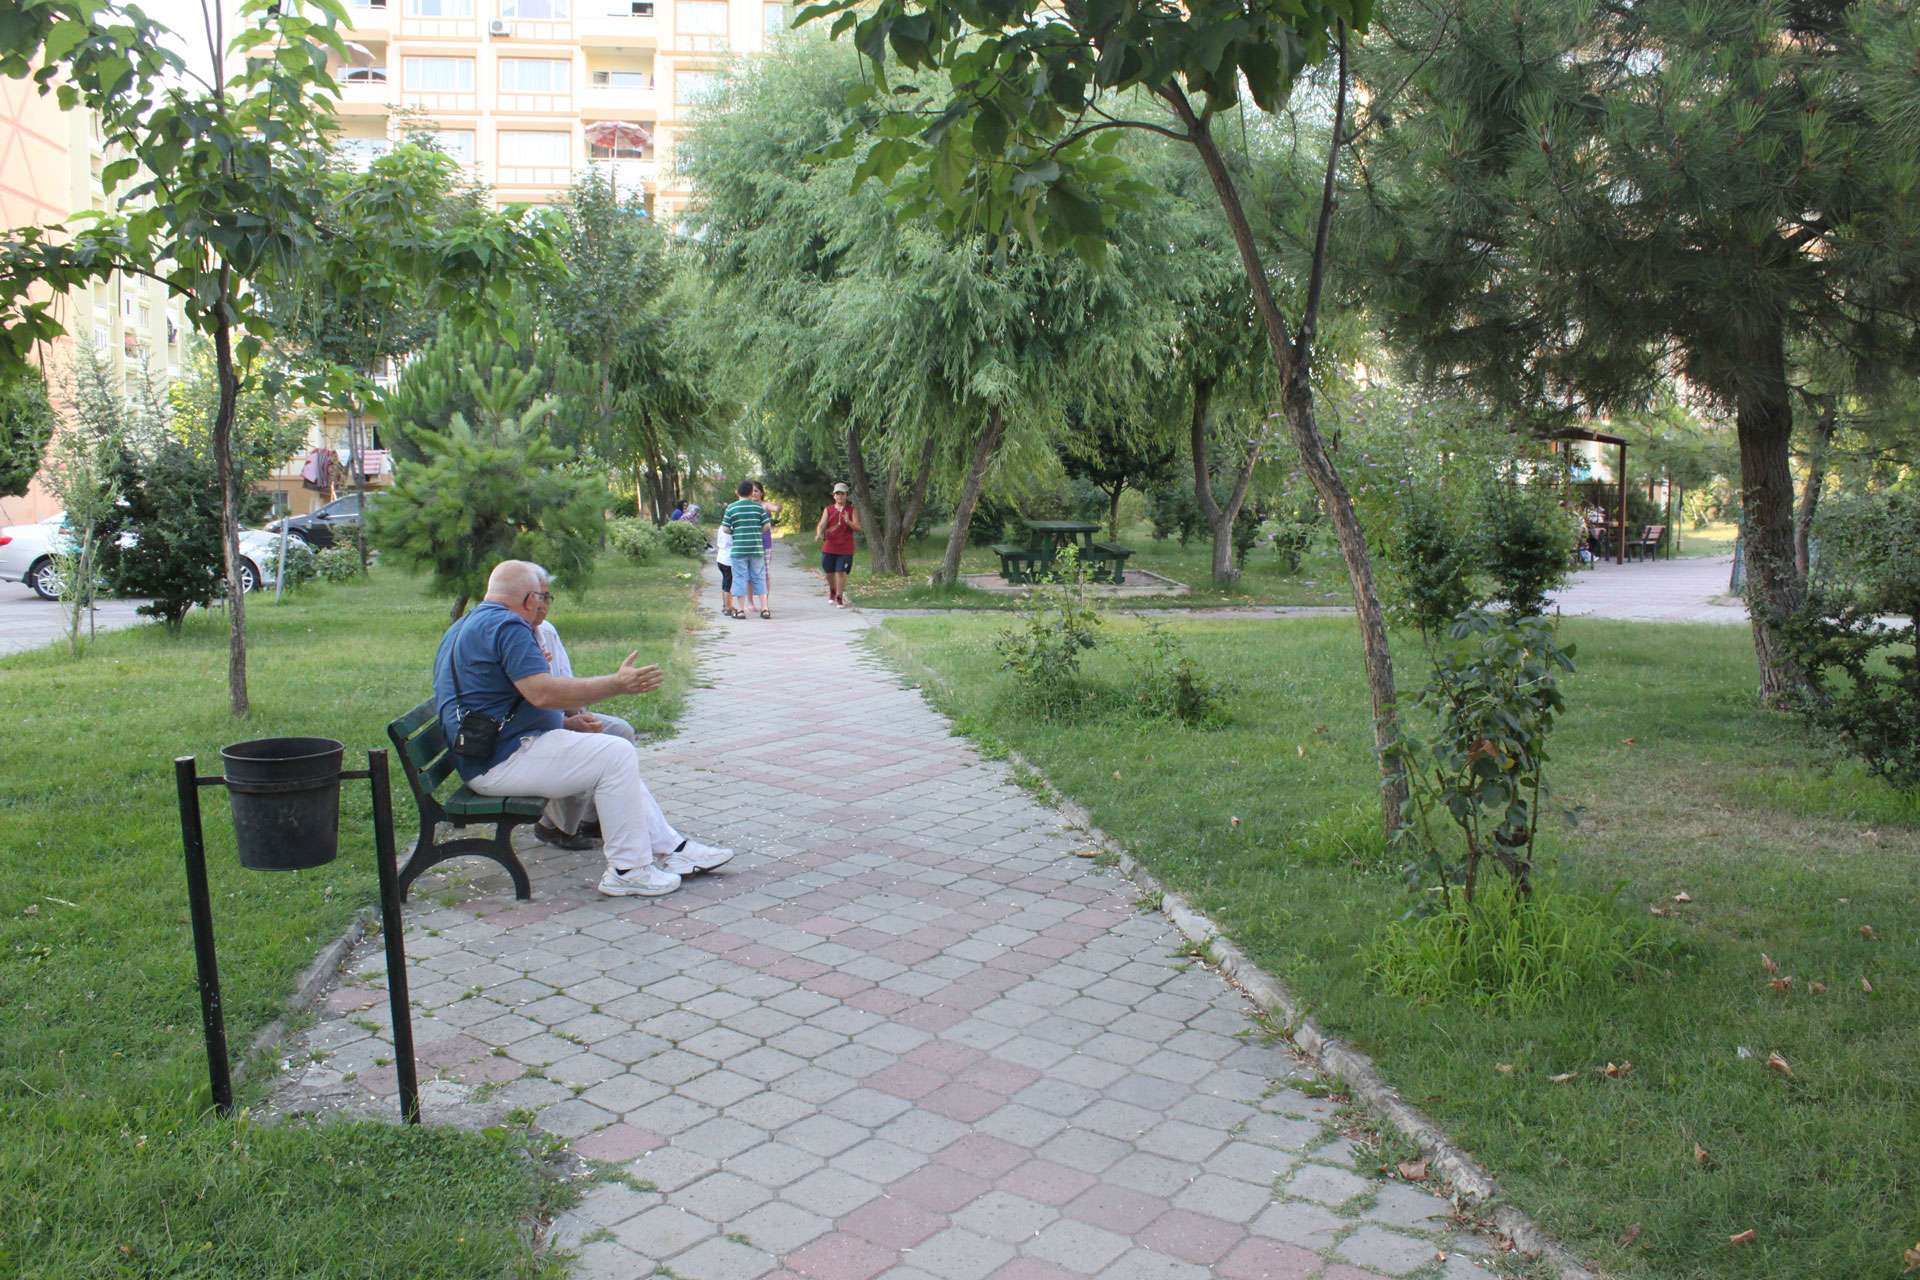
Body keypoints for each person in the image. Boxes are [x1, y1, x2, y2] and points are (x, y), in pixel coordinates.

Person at [433, 560, 733, 897]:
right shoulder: (509, 626)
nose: (544, 604)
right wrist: (617, 684)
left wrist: (564, 722)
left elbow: (494, 698)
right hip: (498, 762)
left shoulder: (471, 622)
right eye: (543, 596)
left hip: (495, 750)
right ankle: (628, 870)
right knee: (615, 754)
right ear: (530, 598)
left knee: (611, 743)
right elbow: (543, 693)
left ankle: (671, 848)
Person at [721, 480, 770, 619]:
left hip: (739, 550)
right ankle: (765, 609)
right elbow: (767, 526)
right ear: (751, 493)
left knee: (739, 578)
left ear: (737, 492)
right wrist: (757, 532)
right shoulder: (758, 507)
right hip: (756, 549)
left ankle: (741, 610)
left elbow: (725, 528)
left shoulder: (731, 508)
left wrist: (735, 532)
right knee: (759, 577)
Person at [815, 481, 861, 608]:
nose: (840, 496)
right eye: (837, 494)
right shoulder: (828, 509)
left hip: (845, 547)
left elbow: (858, 528)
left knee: (840, 572)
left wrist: (848, 521)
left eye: (842, 494)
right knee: (829, 572)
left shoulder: (851, 510)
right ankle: (833, 590)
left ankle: (839, 597)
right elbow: (822, 524)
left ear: (846, 495)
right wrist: (818, 533)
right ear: (834, 496)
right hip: (829, 546)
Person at [750, 481, 779, 614]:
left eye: (756, 491)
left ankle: (764, 603)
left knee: (765, 573)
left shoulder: (765, 505)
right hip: (749, 544)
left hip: (765, 544)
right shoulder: (746, 505)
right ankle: (750, 603)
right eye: (752, 491)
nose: (754, 493)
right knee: (749, 575)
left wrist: (778, 506)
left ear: (761, 493)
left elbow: (776, 508)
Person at [715, 513, 740, 620]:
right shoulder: (731, 529)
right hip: (728, 560)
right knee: (728, 585)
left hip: (720, 558)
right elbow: (733, 542)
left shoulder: (721, 527)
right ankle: (728, 607)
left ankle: (725, 605)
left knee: (725, 582)